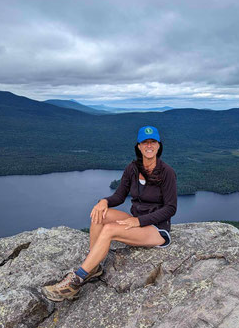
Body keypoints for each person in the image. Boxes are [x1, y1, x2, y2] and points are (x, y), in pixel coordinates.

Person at [41, 125, 177, 301]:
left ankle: (77, 279)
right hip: (135, 220)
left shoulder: (167, 173)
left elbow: (171, 208)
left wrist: (139, 221)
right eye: (145, 142)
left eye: (153, 142)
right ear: (138, 146)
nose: (149, 146)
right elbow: (119, 196)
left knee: (109, 230)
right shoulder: (133, 169)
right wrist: (104, 201)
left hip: (157, 229)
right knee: (100, 214)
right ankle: (94, 265)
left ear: (159, 145)